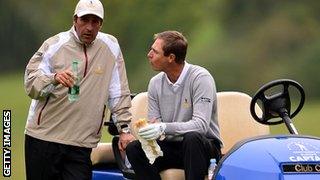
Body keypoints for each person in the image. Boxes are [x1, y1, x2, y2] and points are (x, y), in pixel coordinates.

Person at [24, 0, 135, 179]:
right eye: (85, 20)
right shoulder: (54, 45)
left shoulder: (111, 46)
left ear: (101, 24)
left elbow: (118, 93)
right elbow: (30, 85)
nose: (89, 27)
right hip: (44, 138)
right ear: (75, 20)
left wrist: (125, 130)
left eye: (95, 21)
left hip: (82, 143)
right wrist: (53, 78)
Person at [126, 30, 222, 180]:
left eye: (155, 52)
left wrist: (163, 127)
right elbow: (156, 125)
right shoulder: (155, 83)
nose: (149, 54)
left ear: (171, 57)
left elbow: (201, 126)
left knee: (192, 138)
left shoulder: (200, 78)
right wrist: (151, 130)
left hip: (204, 148)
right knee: (134, 149)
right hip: (172, 147)